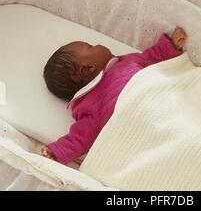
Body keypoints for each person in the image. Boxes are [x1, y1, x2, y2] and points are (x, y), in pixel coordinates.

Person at [41, 27, 186, 164]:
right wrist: (57, 151)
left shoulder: (126, 61)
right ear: (88, 69)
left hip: (167, 98)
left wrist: (171, 45)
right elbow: (80, 139)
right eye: (90, 46)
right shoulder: (89, 105)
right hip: (147, 124)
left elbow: (152, 56)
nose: (96, 44)